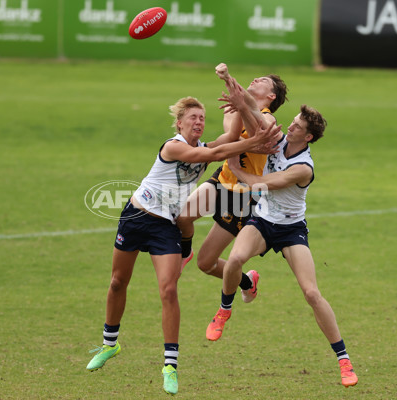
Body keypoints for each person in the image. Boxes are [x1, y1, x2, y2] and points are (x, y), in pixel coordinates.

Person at [86, 96, 280, 395]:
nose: (199, 122)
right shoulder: (173, 146)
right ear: (179, 123)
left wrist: (241, 106)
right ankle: (109, 344)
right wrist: (253, 141)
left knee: (169, 289)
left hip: (165, 226)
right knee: (117, 282)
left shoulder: (202, 146)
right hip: (136, 217)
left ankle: (170, 366)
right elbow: (213, 155)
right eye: (193, 118)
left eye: (202, 118)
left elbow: (226, 140)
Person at [205, 78, 359, 388]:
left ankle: (343, 360)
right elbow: (258, 118)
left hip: (290, 230)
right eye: (291, 122)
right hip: (261, 221)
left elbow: (265, 184)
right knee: (234, 260)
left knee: (312, 293)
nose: (290, 128)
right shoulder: (279, 141)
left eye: (297, 127)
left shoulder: (304, 168)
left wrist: (235, 168)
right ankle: (224, 310)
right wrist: (236, 91)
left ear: (309, 136)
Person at [177, 63, 288, 304]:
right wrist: (227, 78)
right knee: (182, 217)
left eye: (264, 80)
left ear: (271, 96)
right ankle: (184, 253)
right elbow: (232, 134)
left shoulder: (268, 118)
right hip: (222, 179)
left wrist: (242, 115)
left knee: (206, 263)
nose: (256, 78)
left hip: (242, 196)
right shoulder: (234, 107)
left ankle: (247, 282)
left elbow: (257, 129)